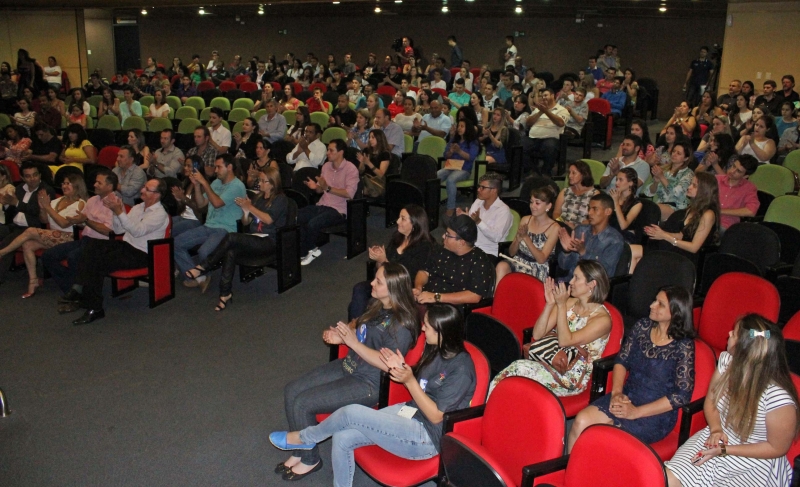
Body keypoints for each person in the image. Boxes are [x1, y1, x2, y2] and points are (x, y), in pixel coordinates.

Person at [269, 303, 475, 487]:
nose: (422, 329)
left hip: (426, 436)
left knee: (350, 413)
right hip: (411, 411)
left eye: (427, 326)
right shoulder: (435, 348)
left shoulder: (461, 369)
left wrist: (409, 380)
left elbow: (436, 416)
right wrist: (402, 368)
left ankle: (304, 437)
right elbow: (423, 382)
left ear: (442, 332)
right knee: (342, 436)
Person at [278, 262, 419, 480]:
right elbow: (361, 331)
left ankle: (310, 459)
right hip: (351, 364)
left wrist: (352, 343)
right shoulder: (377, 304)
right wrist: (342, 337)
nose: (371, 283)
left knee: (303, 402)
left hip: (369, 382)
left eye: (378, 282)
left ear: (393, 288)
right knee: (291, 390)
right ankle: (300, 451)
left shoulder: (402, 324)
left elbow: (388, 365)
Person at [664, 314, 799, 487]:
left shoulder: (778, 398)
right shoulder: (727, 362)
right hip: (718, 438)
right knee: (668, 479)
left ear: (744, 348)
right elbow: (711, 402)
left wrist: (724, 450)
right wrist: (716, 429)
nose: (729, 333)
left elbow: (776, 448)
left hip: (755, 461)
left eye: (734, 334)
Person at [569, 286, 695, 450]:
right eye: (655, 300)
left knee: (604, 437)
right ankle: (571, 465)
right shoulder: (642, 326)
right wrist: (616, 393)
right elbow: (622, 360)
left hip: (654, 414)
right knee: (581, 421)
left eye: (660, 304)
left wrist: (636, 412)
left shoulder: (683, 346)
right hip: (628, 395)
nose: (652, 305)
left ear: (675, 312)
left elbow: (682, 396)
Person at [491, 260, 612, 397]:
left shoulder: (602, 320)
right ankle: (494, 405)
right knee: (513, 377)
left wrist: (561, 306)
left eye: (576, 278)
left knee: (517, 369)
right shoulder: (569, 303)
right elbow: (537, 334)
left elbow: (565, 341)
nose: (571, 282)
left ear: (592, 284)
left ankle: (486, 406)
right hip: (550, 359)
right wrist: (549, 304)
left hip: (571, 375)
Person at [59, 179, 170, 325]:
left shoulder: (160, 214)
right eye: (143, 186)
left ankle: (94, 307)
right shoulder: (138, 207)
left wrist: (119, 211)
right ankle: (79, 289)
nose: (142, 190)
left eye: (147, 189)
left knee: (97, 263)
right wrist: (115, 212)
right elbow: (118, 230)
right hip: (126, 245)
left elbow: (137, 231)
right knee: (91, 246)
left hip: (142, 254)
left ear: (157, 195)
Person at [186, 166, 288, 311]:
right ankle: (225, 294)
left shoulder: (280, 199)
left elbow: (268, 220)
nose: (259, 183)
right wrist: (245, 211)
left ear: (272, 183)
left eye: (263, 181)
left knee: (231, 237)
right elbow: (246, 222)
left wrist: (250, 207)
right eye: (259, 180)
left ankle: (204, 266)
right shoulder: (259, 198)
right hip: (254, 238)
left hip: (269, 242)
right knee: (230, 252)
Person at [0, 173, 86, 298]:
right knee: (28, 244)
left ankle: (2, 252)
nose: (64, 186)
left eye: (68, 183)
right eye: (63, 183)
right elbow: (44, 220)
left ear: (77, 185)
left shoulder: (81, 204)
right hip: (53, 236)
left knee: (30, 231)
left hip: (70, 238)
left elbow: (63, 224)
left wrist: (47, 207)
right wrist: (42, 208)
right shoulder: (57, 200)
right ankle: (33, 281)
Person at [349, 204, 435, 319]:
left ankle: (359, 323)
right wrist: (379, 259)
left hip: (401, 289)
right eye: (399, 217)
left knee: (364, 298)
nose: (398, 221)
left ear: (414, 224)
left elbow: (405, 277)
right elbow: (380, 270)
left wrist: (384, 260)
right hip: (384, 282)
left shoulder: (424, 247)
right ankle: (356, 324)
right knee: (359, 289)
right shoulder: (398, 237)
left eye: (403, 219)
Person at [175, 154, 246, 291]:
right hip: (208, 225)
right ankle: (199, 277)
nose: (215, 170)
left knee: (204, 252)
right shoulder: (216, 183)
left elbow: (217, 203)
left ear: (229, 167)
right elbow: (201, 204)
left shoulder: (237, 186)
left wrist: (204, 183)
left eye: (219, 167)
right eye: (215, 167)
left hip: (226, 229)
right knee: (176, 243)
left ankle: (201, 274)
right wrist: (197, 186)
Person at [42, 170, 117, 297]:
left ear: (109, 186)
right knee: (48, 255)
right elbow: (83, 220)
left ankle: (75, 292)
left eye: (99, 183)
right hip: (86, 239)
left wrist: (86, 221)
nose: (94, 185)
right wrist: (77, 221)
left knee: (73, 257)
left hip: (102, 243)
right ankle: (71, 289)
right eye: (95, 182)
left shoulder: (114, 204)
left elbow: (107, 231)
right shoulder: (92, 200)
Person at [637, 172, 720, 269]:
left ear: (704, 190)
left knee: (639, 254)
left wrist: (665, 236)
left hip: (688, 257)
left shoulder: (708, 214)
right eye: (690, 183)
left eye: (694, 185)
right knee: (636, 251)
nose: (689, 187)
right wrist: (659, 233)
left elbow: (694, 248)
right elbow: (682, 235)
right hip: (679, 249)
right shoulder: (692, 208)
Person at [298, 139, 360, 266]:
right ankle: (307, 250)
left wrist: (327, 188)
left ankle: (310, 250)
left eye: (331, 150)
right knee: (297, 216)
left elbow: (349, 194)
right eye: (328, 150)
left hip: (339, 210)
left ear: (341, 152)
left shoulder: (351, 169)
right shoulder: (326, 166)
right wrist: (315, 187)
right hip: (323, 204)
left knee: (313, 224)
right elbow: (321, 190)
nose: (328, 153)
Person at [413, 214, 495, 307]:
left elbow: (474, 295)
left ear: (461, 242)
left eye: (448, 235)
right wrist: (418, 288)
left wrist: (437, 297)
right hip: (427, 299)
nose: (443, 236)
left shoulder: (479, 260)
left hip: (449, 308)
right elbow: (424, 272)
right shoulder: (442, 250)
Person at [496, 185, 559, 284]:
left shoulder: (554, 228)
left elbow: (541, 259)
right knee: (501, 266)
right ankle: (498, 294)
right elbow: (511, 253)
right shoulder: (525, 219)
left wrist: (526, 238)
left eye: (537, 203)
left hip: (536, 268)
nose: (532, 206)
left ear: (548, 206)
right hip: (519, 261)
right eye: (531, 202)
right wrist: (518, 240)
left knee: (522, 281)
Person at [557, 192, 624, 281]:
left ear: (608, 211)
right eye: (589, 208)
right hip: (569, 281)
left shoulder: (614, 240)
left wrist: (584, 252)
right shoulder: (580, 230)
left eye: (595, 209)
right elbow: (564, 266)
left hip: (591, 287)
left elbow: (605, 274)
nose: (589, 213)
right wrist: (567, 251)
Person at [456, 173, 512, 257]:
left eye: (483, 187)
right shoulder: (478, 202)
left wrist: (478, 221)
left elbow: (496, 237)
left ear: (494, 190)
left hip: (488, 252)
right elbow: (471, 225)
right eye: (479, 186)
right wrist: (465, 216)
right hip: (471, 246)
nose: (478, 189)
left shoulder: (503, 211)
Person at [438, 119, 480, 217]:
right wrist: (451, 151)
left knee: (451, 180)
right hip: (450, 166)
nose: (459, 128)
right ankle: (432, 202)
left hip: (464, 169)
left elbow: (471, 157)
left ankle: (451, 207)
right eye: (458, 126)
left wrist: (459, 151)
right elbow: (445, 155)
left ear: (467, 128)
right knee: (435, 176)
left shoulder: (473, 142)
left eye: (462, 126)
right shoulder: (453, 140)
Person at [645, 141, 696, 220]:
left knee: (651, 210)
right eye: (673, 151)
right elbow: (649, 192)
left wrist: (662, 177)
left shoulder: (688, 174)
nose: (674, 154)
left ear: (686, 158)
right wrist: (656, 182)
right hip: (658, 204)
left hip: (676, 207)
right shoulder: (664, 169)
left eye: (678, 153)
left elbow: (677, 193)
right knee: (640, 206)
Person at [524, 88, 569, 176]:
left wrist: (546, 111)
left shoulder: (562, 110)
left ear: (552, 96)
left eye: (546, 95)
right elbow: (528, 123)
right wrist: (540, 112)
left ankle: (545, 172)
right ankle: (532, 171)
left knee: (550, 146)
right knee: (520, 145)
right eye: (542, 96)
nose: (543, 97)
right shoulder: (538, 109)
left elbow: (560, 123)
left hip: (550, 138)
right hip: (533, 138)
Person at [554, 160, 598, 229]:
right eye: (569, 173)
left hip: (583, 229)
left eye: (574, 173)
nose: (570, 176)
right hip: (562, 227)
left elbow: (596, 218)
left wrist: (576, 226)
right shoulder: (565, 191)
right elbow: (556, 213)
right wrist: (562, 223)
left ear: (583, 174)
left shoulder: (594, 194)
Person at [609, 167, 644, 245]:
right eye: (616, 179)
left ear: (630, 183)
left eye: (620, 180)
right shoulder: (614, 197)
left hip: (625, 236)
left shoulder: (637, 203)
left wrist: (616, 203)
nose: (617, 183)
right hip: (610, 231)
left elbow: (623, 225)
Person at [355, 129, 393, 198]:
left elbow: (381, 175)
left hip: (375, 182)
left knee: (357, 188)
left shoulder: (385, 154)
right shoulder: (366, 151)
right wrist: (362, 162)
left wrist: (369, 163)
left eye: (373, 137)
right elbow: (360, 171)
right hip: (364, 179)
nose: (370, 139)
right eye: (369, 137)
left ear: (379, 138)